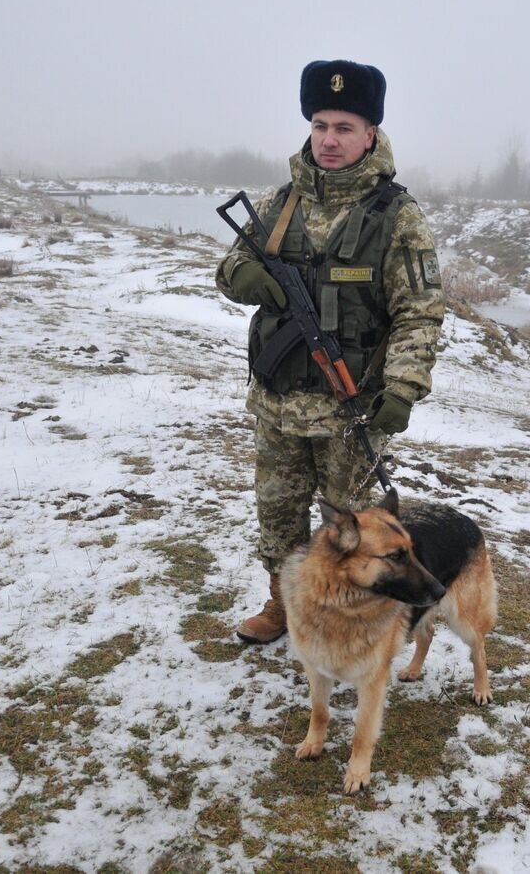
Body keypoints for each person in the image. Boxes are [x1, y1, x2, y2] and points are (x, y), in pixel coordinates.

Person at [216, 59, 444, 643]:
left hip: (352, 409)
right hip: (277, 403)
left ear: (370, 133)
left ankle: (348, 626)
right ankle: (285, 606)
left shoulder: (398, 217)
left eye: (344, 126)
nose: (330, 139)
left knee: (358, 530)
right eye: (320, 124)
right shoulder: (280, 202)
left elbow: (418, 312)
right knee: (279, 516)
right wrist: (243, 279)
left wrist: (403, 389)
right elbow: (231, 265)